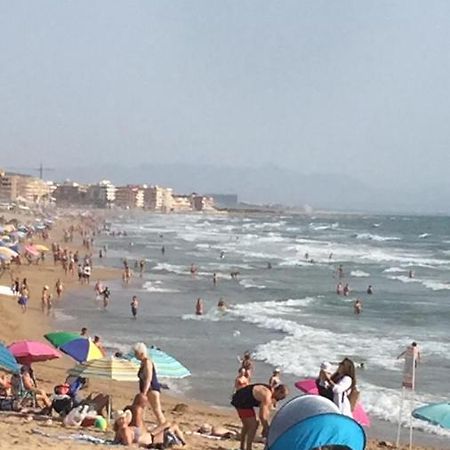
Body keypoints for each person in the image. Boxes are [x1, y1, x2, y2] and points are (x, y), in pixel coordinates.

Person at [231, 384, 288, 450]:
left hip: (244, 400)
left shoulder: (270, 392)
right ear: (278, 391)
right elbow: (262, 416)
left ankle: (242, 446)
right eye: (281, 397)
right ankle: (248, 448)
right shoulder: (266, 395)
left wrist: (265, 427)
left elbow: (267, 412)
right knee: (253, 425)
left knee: (247, 425)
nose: (280, 400)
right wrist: (266, 429)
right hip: (241, 401)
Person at [134, 342, 166, 425]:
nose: (135, 355)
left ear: (141, 353)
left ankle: (165, 429)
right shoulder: (143, 362)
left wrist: (144, 393)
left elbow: (148, 379)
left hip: (151, 389)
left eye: (136, 353)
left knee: (157, 411)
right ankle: (141, 425)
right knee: (142, 409)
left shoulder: (148, 363)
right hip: (148, 390)